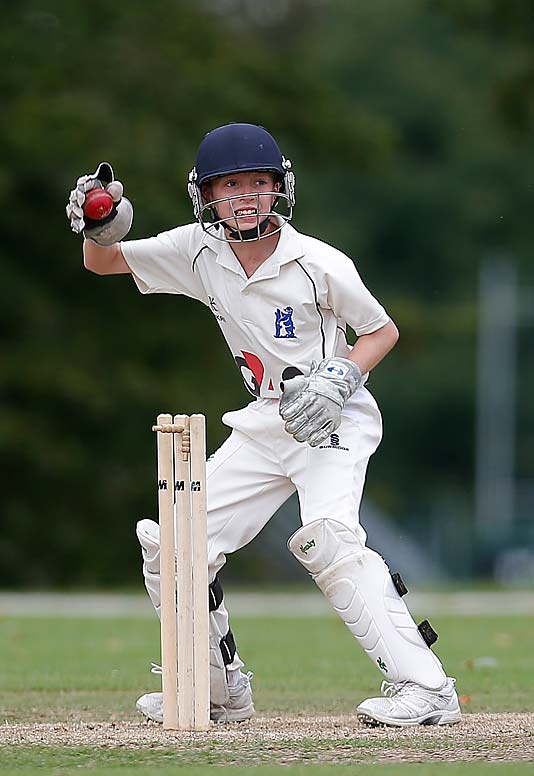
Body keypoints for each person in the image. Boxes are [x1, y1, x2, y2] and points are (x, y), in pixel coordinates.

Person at [66, 123, 462, 727]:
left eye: (259, 184)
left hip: (331, 418)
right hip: (265, 422)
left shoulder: (316, 262)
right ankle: (216, 690)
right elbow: (104, 264)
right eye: (230, 186)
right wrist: (99, 225)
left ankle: (427, 688)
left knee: (327, 538)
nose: (245, 197)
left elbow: (382, 330)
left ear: (281, 190)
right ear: (206, 195)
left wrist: (339, 379)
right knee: (173, 544)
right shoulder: (197, 252)